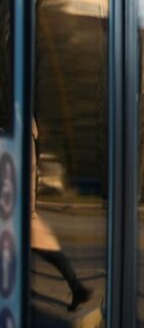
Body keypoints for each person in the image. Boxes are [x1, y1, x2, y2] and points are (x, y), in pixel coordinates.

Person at [30, 119, 90, 311]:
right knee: (50, 252)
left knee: (50, 252)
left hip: (19, 213)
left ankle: (77, 288)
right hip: (22, 211)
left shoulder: (23, 143)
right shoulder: (29, 142)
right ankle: (77, 288)